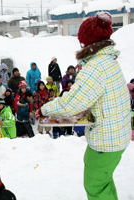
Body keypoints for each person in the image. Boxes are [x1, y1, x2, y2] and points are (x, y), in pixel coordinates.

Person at [41, 12, 131, 200]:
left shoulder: (95, 68)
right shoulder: (107, 61)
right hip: (114, 133)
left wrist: (45, 109)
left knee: (95, 185)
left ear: (88, 42)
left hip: (107, 140)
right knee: (101, 181)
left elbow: (71, 104)